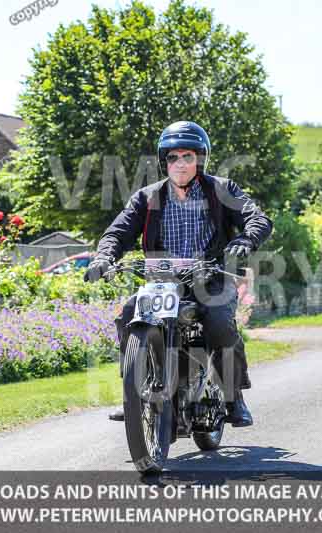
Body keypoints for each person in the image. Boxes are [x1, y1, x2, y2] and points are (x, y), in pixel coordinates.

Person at [84, 121, 272, 427]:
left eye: (187, 156)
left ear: (200, 159)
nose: (180, 163)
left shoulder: (222, 190)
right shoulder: (147, 197)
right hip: (162, 283)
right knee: (129, 312)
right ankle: (134, 395)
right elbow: (117, 233)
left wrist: (245, 239)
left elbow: (257, 218)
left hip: (210, 279)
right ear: (164, 161)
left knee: (219, 323)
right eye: (173, 157)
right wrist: (104, 256)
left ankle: (233, 395)